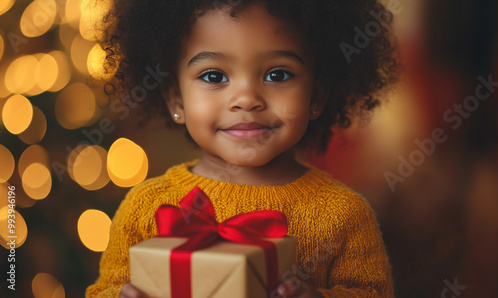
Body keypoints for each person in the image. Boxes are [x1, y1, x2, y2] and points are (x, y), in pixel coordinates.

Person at [86, 0, 399, 297]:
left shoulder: (343, 214)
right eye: (214, 76)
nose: (247, 98)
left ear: (316, 97)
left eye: (278, 74)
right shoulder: (146, 206)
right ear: (176, 101)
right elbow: (106, 288)